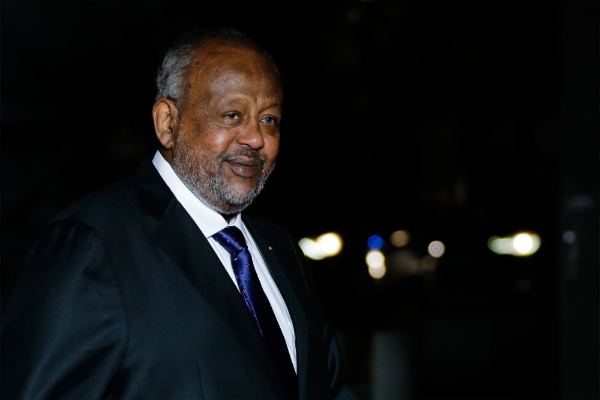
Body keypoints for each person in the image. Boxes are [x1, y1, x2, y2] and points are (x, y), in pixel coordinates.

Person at [1, 28, 345, 399]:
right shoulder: (93, 244)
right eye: (232, 115)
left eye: (269, 120)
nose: (255, 138)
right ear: (168, 122)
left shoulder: (281, 249)